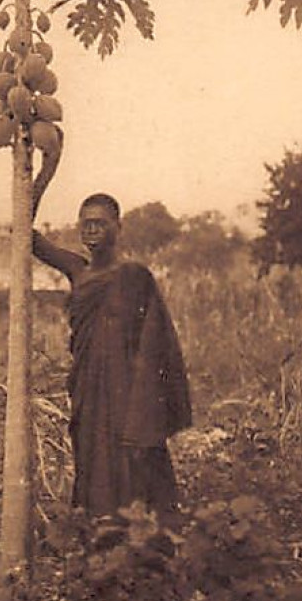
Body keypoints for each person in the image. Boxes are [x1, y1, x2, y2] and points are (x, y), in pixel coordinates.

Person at [31, 143, 191, 525]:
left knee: (132, 460)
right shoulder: (78, 271)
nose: (90, 228)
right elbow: (25, 235)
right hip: (88, 389)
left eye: (99, 222)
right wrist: (44, 174)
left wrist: (145, 402)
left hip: (128, 393)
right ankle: (97, 534)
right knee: (91, 458)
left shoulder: (134, 276)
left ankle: (139, 537)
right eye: (84, 222)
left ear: (118, 228)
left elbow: (156, 344)